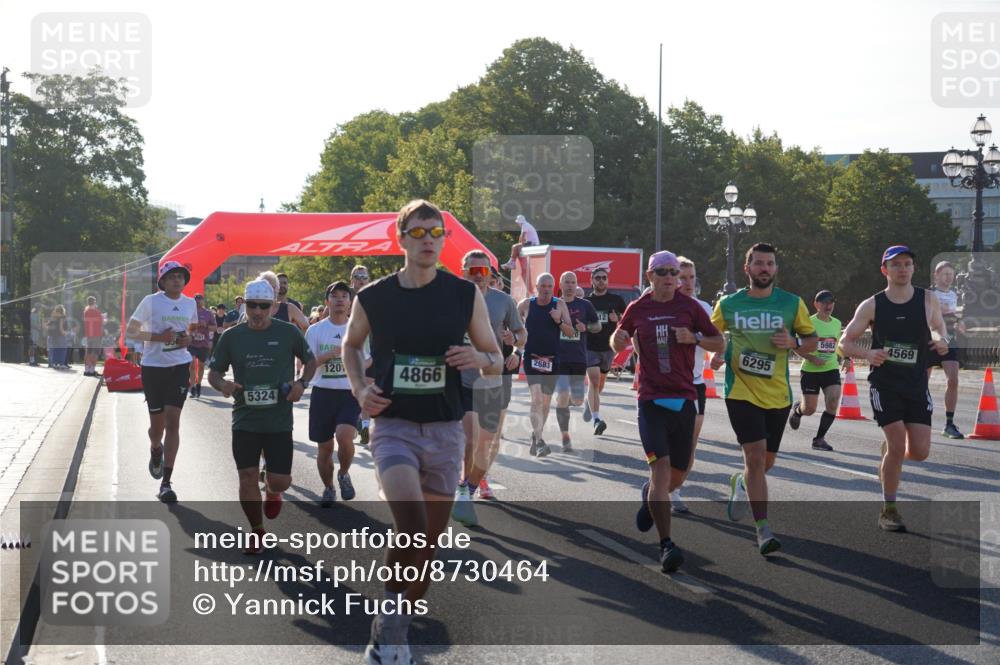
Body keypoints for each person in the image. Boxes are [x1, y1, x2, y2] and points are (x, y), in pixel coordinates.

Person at [342, 200, 501, 664]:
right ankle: (388, 634)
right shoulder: (374, 296)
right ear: (401, 238)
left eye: (437, 231)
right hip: (393, 426)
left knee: (426, 546)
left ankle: (397, 625)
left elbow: (494, 357)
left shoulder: (462, 294)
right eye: (418, 232)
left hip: (446, 430)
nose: (429, 239)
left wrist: (478, 360)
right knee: (410, 527)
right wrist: (358, 388)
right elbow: (351, 346)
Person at [613, 251, 724, 572]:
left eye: (673, 272)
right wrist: (616, 339)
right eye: (661, 272)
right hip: (650, 401)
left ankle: (651, 497)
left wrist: (696, 337)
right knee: (661, 472)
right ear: (650, 276)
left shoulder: (690, 308)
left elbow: (720, 343)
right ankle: (666, 545)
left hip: (684, 401)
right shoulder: (638, 308)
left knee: (678, 474)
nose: (669, 277)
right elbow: (617, 341)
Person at [709, 243, 817, 555]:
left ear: (775, 269)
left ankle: (742, 483)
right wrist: (720, 353)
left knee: (765, 463)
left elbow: (812, 343)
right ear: (748, 268)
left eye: (770, 263)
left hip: (778, 395)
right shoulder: (729, 304)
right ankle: (763, 530)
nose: (764, 269)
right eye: (758, 263)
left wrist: (794, 341)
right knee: (755, 458)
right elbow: (711, 335)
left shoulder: (791, 303)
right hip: (740, 392)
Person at [839, 245, 948, 532]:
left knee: (920, 451)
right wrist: (867, 355)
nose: (902, 269)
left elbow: (938, 326)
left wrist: (941, 339)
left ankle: (891, 451)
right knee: (899, 446)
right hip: (884, 383)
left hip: (916, 383)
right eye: (896, 264)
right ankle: (889, 509)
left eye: (907, 264)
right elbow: (844, 343)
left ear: (913, 268)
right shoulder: (872, 305)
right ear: (884, 270)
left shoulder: (928, 299)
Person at [209, 278, 317, 551]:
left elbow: (311, 360)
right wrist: (224, 385)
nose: (258, 312)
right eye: (253, 306)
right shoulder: (232, 336)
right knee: (246, 476)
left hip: (279, 419)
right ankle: (256, 531)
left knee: (280, 480)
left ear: (273, 306)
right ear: (244, 304)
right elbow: (214, 372)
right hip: (244, 419)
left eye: (264, 306)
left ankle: (272, 490)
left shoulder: (287, 333)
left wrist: (301, 384)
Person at [451, 250, 526, 526]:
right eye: (472, 270)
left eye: (483, 270)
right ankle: (464, 486)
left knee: (488, 442)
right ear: (464, 271)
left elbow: (521, 333)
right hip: (461, 379)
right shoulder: (452, 299)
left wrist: (516, 346)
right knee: (471, 439)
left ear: (490, 273)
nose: (478, 275)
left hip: (493, 378)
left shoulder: (503, 301)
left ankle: (468, 487)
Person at [125, 261, 199, 503]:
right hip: (154, 368)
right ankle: (155, 448)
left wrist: (187, 339)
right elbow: (132, 331)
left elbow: (192, 330)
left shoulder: (189, 304)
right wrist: (159, 337)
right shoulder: (151, 301)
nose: (177, 280)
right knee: (157, 429)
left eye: (180, 277)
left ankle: (166, 483)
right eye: (172, 277)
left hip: (179, 366)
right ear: (163, 281)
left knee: (173, 423)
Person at [305, 281, 368, 507]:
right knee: (324, 448)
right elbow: (307, 363)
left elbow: (370, 359)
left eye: (344, 296)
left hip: (349, 394)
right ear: (327, 302)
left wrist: (353, 361)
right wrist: (327, 356)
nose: (340, 299)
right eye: (335, 296)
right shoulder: (315, 330)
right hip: (323, 394)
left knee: (344, 436)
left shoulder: (359, 328)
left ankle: (343, 473)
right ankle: (329, 487)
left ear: (350, 303)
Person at [667, 257, 716, 513]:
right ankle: (660, 485)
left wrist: (700, 341)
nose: (688, 283)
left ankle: (674, 489)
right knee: (665, 442)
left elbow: (715, 340)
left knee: (689, 443)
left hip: (694, 384)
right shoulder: (660, 307)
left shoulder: (704, 308)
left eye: (692, 277)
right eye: (682, 278)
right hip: (664, 385)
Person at [518, 273, 576, 458]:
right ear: (536, 287)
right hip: (531, 357)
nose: (546, 289)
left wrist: (558, 320)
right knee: (536, 399)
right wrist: (515, 344)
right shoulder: (526, 305)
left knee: (544, 402)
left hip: (552, 359)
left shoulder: (559, 304)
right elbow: (515, 328)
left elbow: (570, 332)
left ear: (553, 288)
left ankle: (536, 436)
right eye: (542, 286)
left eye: (549, 286)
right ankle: (541, 440)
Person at [788, 290, 842, 451]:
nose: (828, 306)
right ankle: (798, 410)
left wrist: (845, 358)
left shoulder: (837, 323)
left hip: (831, 369)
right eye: (824, 302)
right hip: (810, 370)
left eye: (831, 302)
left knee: (832, 402)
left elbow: (837, 345)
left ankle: (819, 439)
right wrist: (812, 358)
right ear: (816, 305)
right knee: (810, 409)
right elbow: (795, 346)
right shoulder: (807, 323)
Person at [553, 271, 600, 452]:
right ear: (561, 284)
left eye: (573, 282)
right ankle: (565, 435)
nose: (570, 285)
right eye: (567, 282)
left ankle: (574, 401)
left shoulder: (585, 305)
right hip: (560, 357)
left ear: (576, 284)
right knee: (564, 395)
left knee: (578, 400)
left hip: (579, 358)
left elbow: (598, 326)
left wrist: (585, 327)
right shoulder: (555, 304)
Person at [584, 266, 628, 436]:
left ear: (607, 280)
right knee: (594, 381)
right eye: (597, 278)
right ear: (592, 281)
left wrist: (618, 319)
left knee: (600, 384)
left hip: (608, 348)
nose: (601, 281)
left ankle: (591, 404)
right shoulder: (587, 303)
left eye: (604, 278)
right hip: (590, 346)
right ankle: (596, 419)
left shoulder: (616, 300)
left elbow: (627, 320)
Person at [928, 260, 965, 439]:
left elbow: (951, 317)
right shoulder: (929, 293)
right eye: (945, 274)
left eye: (951, 274)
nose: (949, 277)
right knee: (921, 383)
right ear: (936, 275)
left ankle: (949, 424)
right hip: (930, 341)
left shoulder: (954, 294)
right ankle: (918, 418)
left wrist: (959, 322)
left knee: (953, 380)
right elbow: (929, 318)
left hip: (948, 340)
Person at [350, 264, 374, 445]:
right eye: (357, 276)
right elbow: (326, 318)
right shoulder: (342, 296)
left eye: (364, 277)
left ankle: (365, 425)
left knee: (366, 387)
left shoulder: (376, 297)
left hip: (370, 350)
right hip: (347, 352)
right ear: (352, 280)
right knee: (351, 390)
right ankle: (355, 420)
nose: (361, 280)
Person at [500, 214, 540, 295]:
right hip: (532, 243)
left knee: (514, 246)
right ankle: (512, 262)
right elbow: (522, 238)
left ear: (519, 222)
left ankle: (512, 263)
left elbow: (522, 236)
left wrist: (518, 246)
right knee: (516, 247)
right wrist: (519, 245)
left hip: (534, 244)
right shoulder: (526, 225)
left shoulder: (524, 225)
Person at [187, 294, 217, 398]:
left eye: (200, 300)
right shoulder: (189, 312)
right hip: (192, 343)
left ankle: (198, 384)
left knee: (200, 365)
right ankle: (193, 386)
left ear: (203, 301)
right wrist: (193, 327)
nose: (198, 302)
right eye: (196, 300)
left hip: (203, 343)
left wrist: (206, 325)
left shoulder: (208, 313)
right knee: (191, 364)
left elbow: (214, 328)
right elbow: (185, 326)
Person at [83, 296, 105, 377]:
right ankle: (92, 370)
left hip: (89, 334)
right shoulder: (97, 312)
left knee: (88, 352)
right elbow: (101, 323)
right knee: (95, 353)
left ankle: (87, 370)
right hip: (96, 334)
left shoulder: (85, 311)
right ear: (94, 302)